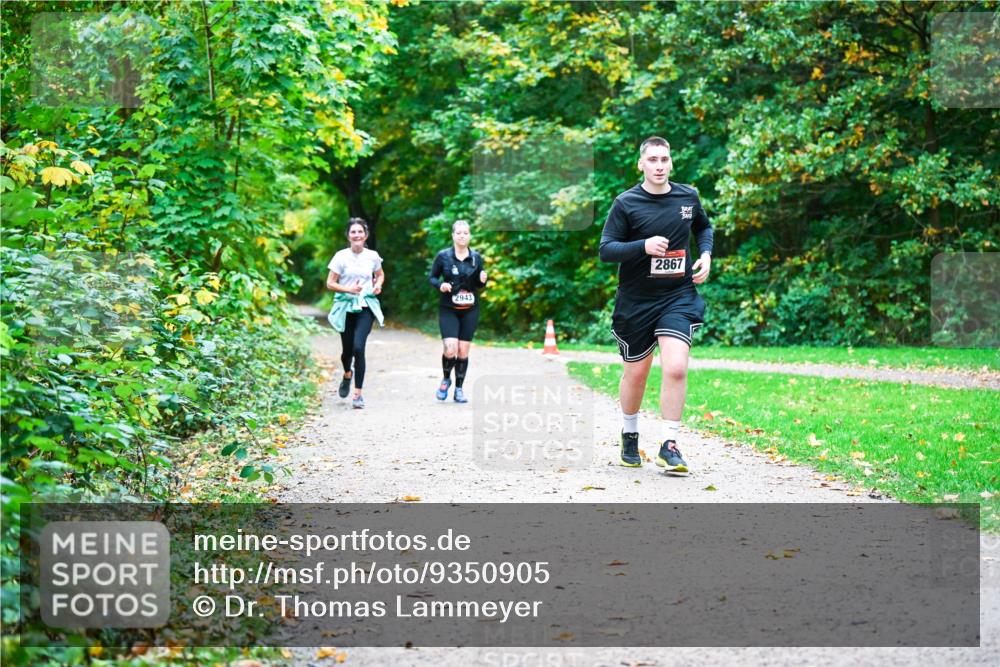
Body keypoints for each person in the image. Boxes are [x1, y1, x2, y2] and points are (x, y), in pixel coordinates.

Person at [598, 136, 714, 472]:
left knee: (676, 366)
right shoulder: (626, 203)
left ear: (671, 162)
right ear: (641, 164)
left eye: (664, 159)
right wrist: (642, 246)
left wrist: (705, 254)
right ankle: (630, 434)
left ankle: (670, 444)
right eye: (652, 160)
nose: (659, 166)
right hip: (636, 301)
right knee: (637, 373)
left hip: (677, 296)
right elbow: (606, 249)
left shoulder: (687, 197)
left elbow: (704, 228)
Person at [326, 218, 385, 409]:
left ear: (365, 235)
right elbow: (330, 283)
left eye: (360, 232)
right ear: (348, 236)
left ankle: (358, 395)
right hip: (345, 307)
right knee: (347, 352)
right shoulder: (340, 257)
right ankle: (346, 374)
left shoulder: (373, 256)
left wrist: (377, 285)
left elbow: (380, 274)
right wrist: (348, 289)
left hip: (366, 306)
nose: (357, 235)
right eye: (353, 232)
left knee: (359, 348)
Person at [428, 219, 488, 403]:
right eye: (458, 233)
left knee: (463, 351)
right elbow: (432, 277)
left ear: (469, 236)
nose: (462, 236)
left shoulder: (476, 258)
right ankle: (446, 378)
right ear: (453, 235)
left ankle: (459, 389)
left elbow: (478, 284)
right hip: (449, 309)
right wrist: (441, 285)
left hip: (470, 309)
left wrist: (483, 280)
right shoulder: (443, 256)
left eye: (465, 233)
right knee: (450, 348)